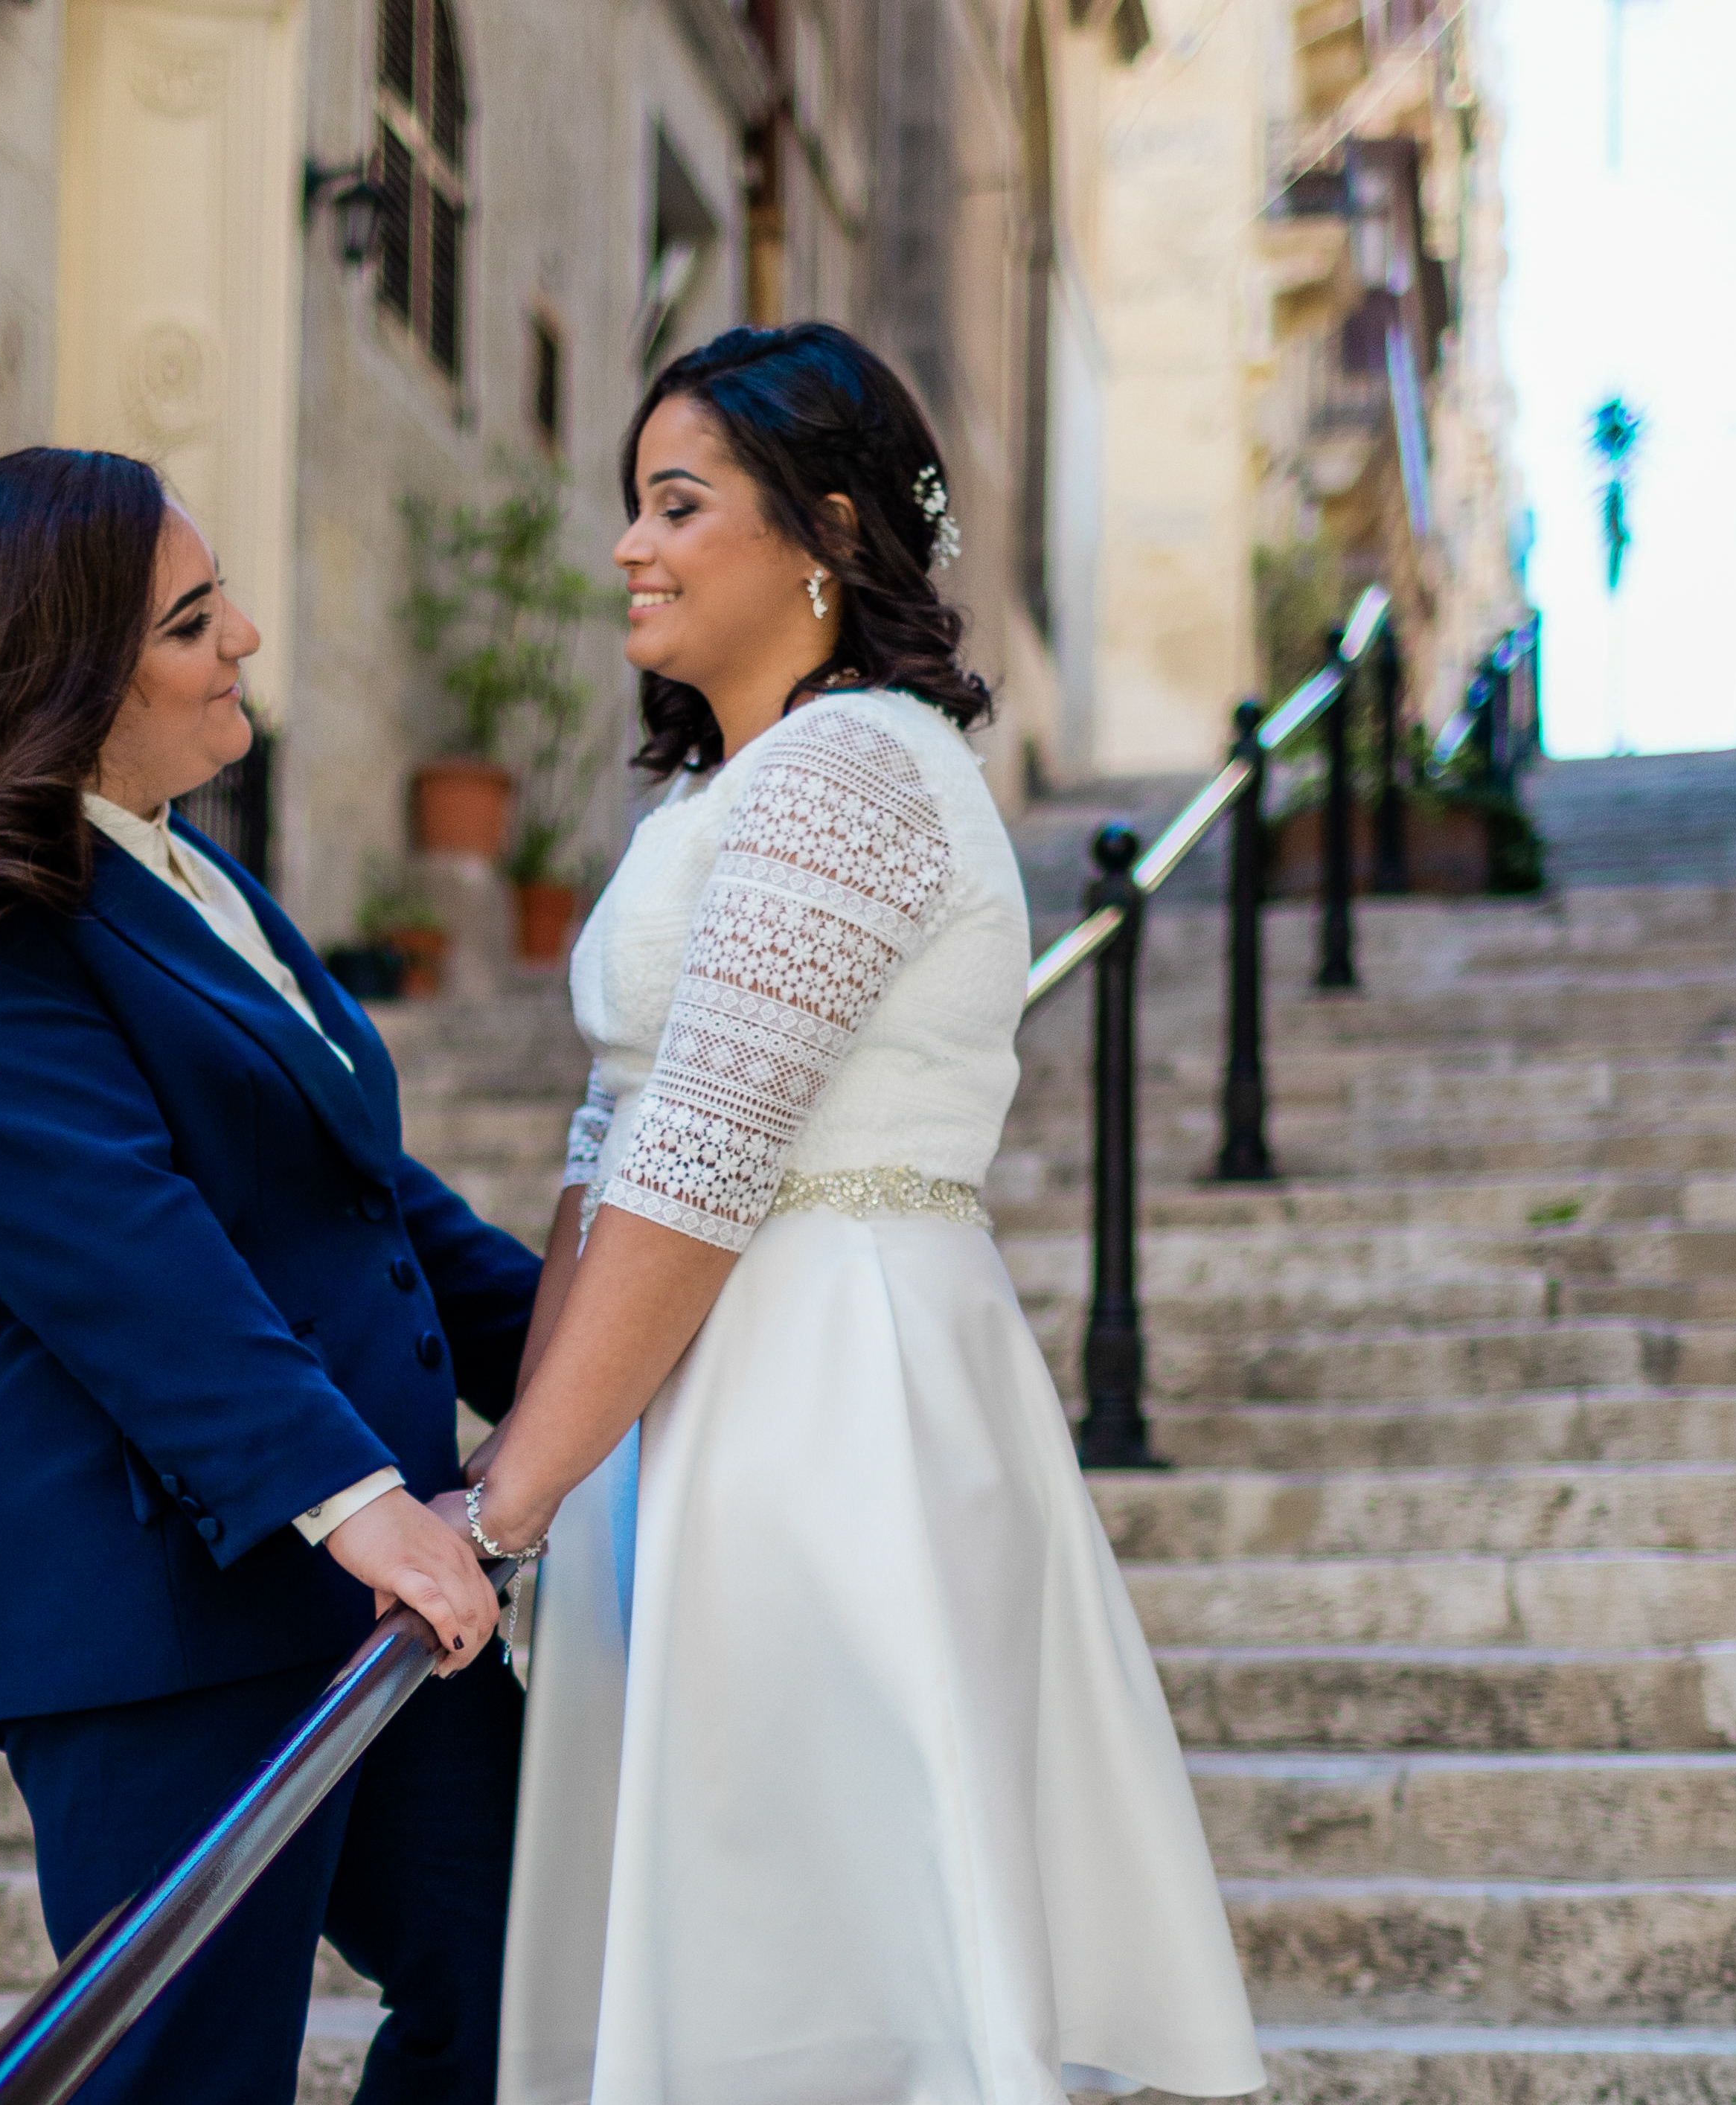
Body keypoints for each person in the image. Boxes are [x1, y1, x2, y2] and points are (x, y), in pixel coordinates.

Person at [461, 326, 1266, 2105]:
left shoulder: (853, 773)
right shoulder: (715, 791)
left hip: (828, 1390)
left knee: (827, 1931)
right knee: (724, 1931)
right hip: (690, 1401)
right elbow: (613, 1142)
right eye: (629, 505)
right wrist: (546, 1461)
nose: (629, 547)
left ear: (823, 531)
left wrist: (501, 1502)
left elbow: (711, 1148)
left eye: (678, 504)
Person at [0, 447, 544, 2105]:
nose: (248, 640)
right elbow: (125, 1247)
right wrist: (359, 1499)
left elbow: (367, 1199)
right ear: (67, 671)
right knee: (181, 2078)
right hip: (164, 1606)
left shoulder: (192, 876)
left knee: (523, 1986)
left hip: (373, 1586)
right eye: (196, 620)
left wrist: (597, 1358)